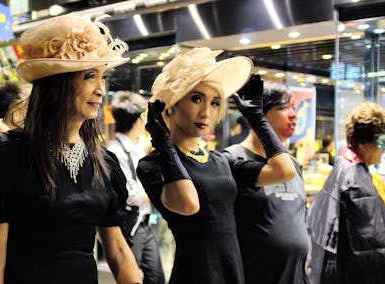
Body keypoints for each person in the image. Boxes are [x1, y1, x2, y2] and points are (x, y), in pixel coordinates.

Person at [0, 14, 142, 284]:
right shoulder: (6, 156)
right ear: (57, 85)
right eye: (89, 76)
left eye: (103, 77)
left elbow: (119, 251)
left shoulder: (104, 163)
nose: (101, 89)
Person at [136, 47, 296, 284]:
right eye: (196, 98)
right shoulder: (153, 165)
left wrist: (257, 119)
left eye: (214, 102)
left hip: (233, 272)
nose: (206, 112)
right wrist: (164, 142)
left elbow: (285, 171)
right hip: (195, 275)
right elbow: (189, 204)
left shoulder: (220, 160)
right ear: (171, 105)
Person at [306, 101, 385, 284]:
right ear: (363, 144)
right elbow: (376, 249)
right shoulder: (356, 183)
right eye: (383, 141)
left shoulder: (342, 168)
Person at [224, 82, 310, 284]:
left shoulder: (293, 165)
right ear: (258, 112)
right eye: (283, 108)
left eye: (294, 109)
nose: (293, 115)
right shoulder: (233, 160)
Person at [108, 90, 165, 284]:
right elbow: (128, 194)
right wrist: (155, 192)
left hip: (144, 222)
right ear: (138, 121)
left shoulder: (136, 150)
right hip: (130, 226)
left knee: (156, 276)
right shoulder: (115, 152)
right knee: (131, 278)